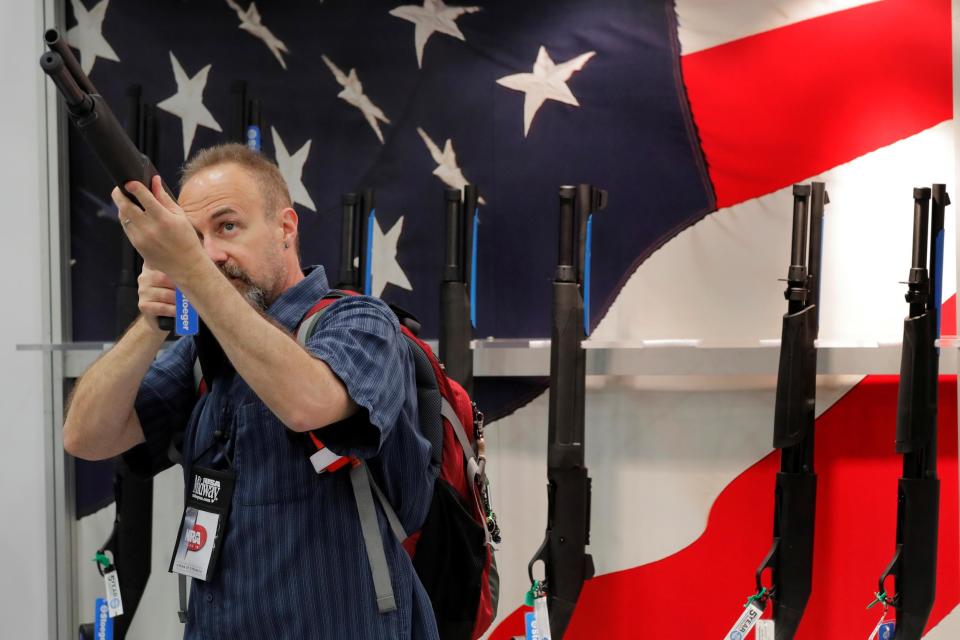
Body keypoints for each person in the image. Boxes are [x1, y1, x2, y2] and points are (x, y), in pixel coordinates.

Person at [62, 144, 440, 640]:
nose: (211, 253)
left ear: (286, 228)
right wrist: (153, 323)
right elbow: (85, 437)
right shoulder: (200, 353)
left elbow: (309, 403)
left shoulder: (359, 322)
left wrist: (192, 273)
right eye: (194, 239)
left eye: (227, 226)